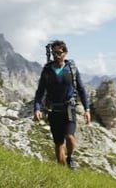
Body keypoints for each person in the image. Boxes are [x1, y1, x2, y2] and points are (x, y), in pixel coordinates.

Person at [33, 40, 91, 170]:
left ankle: (70, 156)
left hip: (69, 108)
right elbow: (40, 91)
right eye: (54, 52)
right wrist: (36, 108)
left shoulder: (71, 69)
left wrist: (87, 109)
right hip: (53, 110)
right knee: (58, 143)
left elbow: (81, 89)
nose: (56, 55)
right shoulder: (47, 70)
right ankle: (62, 171)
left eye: (59, 52)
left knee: (69, 137)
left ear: (65, 53)